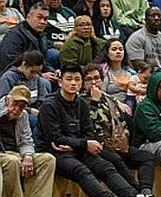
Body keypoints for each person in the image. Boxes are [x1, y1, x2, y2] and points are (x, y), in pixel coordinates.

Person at [38, 63, 138, 197]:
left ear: (81, 83)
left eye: (77, 79)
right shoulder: (49, 105)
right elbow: (55, 139)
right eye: (69, 79)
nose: (73, 83)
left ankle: (134, 194)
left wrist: (76, 146)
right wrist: (83, 144)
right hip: (56, 153)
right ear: (60, 82)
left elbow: (89, 133)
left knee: (106, 167)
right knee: (81, 170)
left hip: (78, 150)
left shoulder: (82, 104)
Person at [81, 64, 156, 197]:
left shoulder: (109, 98)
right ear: (82, 82)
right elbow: (87, 125)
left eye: (97, 78)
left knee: (147, 157)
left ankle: (146, 191)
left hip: (118, 144)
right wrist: (94, 102)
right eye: (88, 79)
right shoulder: (80, 101)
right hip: (97, 147)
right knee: (115, 159)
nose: (93, 82)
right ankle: (137, 191)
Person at [0, 85, 56, 197]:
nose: (17, 110)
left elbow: (26, 140)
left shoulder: (23, 115)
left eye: (21, 107)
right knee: (12, 161)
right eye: (15, 104)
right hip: (3, 153)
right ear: (8, 99)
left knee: (48, 160)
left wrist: (28, 156)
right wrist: (5, 112)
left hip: (16, 152)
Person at [0, 4, 52, 74]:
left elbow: (42, 62)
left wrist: (53, 71)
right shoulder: (14, 36)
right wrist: (40, 75)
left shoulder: (42, 36)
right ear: (29, 17)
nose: (43, 22)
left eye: (45, 19)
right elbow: (10, 65)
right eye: (39, 17)